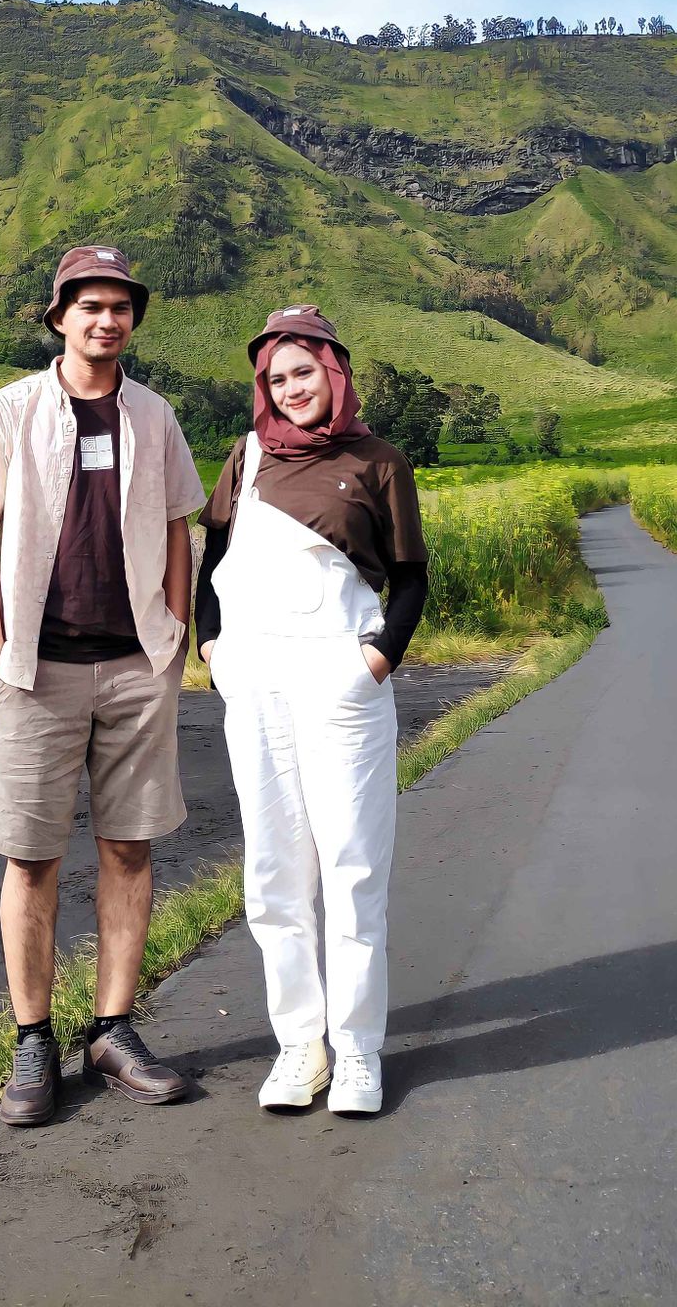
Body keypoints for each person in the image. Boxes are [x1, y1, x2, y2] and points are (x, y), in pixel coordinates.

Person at [0, 246, 208, 1127]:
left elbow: (178, 526)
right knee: (32, 855)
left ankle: (112, 1030)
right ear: (59, 317)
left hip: (136, 664)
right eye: (90, 306)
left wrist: (173, 632)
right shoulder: (10, 410)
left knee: (130, 847)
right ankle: (34, 1040)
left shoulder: (153, 415)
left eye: (120, 307)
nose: (107, 320)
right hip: (37, 667)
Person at [194, 305, 429, 1116]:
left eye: (304, 372)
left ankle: (358, 1051)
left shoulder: (379, 462)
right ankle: (301, 1044)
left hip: (340, 676)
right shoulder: (248, 455)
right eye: (276, 378)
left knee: (353, 866)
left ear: (335, 372)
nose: (291, 388)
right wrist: (213, 646)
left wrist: (377, 659)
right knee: (274, 870)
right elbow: (215, 556)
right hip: (256, 677)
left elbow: (411, 577)